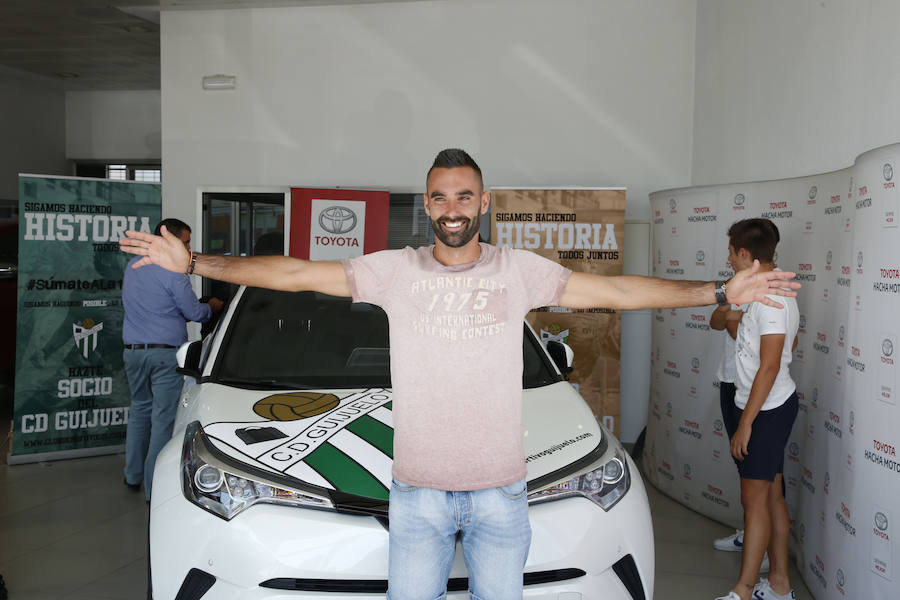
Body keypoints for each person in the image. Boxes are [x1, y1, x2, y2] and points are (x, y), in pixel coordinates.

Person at [119, 150, 799, 599]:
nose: (451, 207)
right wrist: (198, 263)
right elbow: (295, 273)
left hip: (505, 497)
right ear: (428, 202)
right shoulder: (394, 270)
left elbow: (613, 292)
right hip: (416, 499)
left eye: (463, 195)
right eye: (440, 196)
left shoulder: (519, 271)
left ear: (483, 202)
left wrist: (714, 292)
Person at [715, 218, 799, 600]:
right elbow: (732, 330)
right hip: (762, 407)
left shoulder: (775, 299)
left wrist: (746, 423)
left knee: (755, 500)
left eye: (731, 251)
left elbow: (770, 365)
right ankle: (779, 583)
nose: (728, 257)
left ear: (745, 254)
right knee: (770, 496)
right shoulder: (763, 289)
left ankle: (744, 590)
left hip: (768, 410)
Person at [121, 218, 223, 501]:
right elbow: (192, 311)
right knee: (163, 420)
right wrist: (210, 307)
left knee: (140, 410)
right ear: (172, 241)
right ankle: (154, 492)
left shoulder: (133, 266)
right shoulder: (174, 270)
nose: (189, 247)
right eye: (186, 242)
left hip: (133, 351)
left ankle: (132, 476)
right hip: (165, 353)